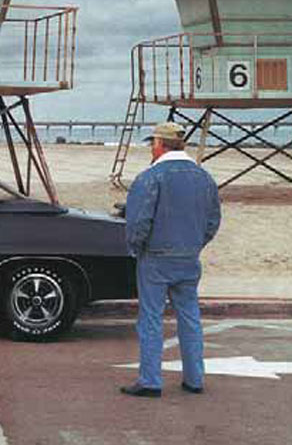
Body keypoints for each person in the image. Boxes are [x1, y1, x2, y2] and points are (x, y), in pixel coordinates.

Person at [120, 121, 221, 398]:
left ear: (159, 144)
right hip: (189, 257)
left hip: (156, 257)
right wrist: (195, 244)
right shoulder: (204, 177)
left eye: (153, 143)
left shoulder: (150, 177)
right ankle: (194, 378)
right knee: (190, 317)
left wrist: (136, 248)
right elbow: (213, 220)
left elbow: (139, 222)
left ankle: (150, 380)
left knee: (151, 319)